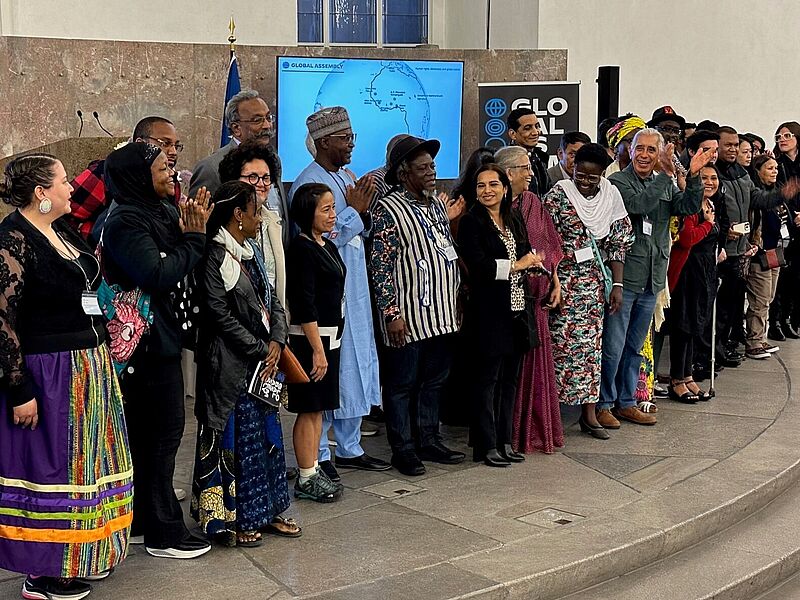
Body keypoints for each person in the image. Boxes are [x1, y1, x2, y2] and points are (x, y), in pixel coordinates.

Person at [0, 154, 132, 600]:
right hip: (49, 371)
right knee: (52, 468)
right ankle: (41, 572)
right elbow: (2, 323)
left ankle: (77, 556)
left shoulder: (62, 231)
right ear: (41, 193)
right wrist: (19, 390)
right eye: (63, 182)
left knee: (87, 465)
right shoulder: (12, 241)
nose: (72, 188)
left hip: (88, 367)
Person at [101, 142, 212, 559]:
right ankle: (164, 532)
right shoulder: (125, 220)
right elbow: (158, 271)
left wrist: (188, 232)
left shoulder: (156, 210)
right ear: (137, 175)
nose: (173, 173)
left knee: (156, 437)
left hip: (160, 339)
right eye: (164, 168)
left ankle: (144, 520)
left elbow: (174, 255)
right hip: (143, 348)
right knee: (161, 436)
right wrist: (194, 240)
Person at [192, 180, 299, 546]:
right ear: (239, 215)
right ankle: (233, 519)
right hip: (230, 368)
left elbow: (275, 303)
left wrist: (277, 341)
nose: (260, 217)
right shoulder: (214, 256)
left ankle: (267, 512)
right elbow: (218, 314)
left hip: (261, 366)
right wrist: (259, 347)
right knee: (237, 442)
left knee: (267, 439)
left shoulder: (251, 251)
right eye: (255, 211)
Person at [288, 107, 390, 482]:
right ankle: (323, 452)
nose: (350, 145)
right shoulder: (308, 183)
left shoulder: (345, 175)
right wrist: (356, 212)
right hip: (331, 288)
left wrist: (362, 213)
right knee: (337, 367)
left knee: (357, 361)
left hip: (354, 282)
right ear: (323, 142)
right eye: (344, 139)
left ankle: (350, 445)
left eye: (352, 138)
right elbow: (320, 237)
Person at [598, 128, 712, 428]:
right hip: (626, 277)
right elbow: (640, 205)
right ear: (630, 151)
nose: (645, 155)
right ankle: (604, 404)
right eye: (641, 149)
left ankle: (626, 402)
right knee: (613, 346)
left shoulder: (665, 181)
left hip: (653, 277)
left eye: (652, 150)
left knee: (635, 347)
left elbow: (686, 207)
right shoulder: (618, 182)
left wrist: (695, 177)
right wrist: (665, 172)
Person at [369, 136, 465, 475]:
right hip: (407, 317)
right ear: (403, 172)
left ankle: (429, 439)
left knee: (434, 381)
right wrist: (391, 314)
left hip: (441, 314)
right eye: (422, 167)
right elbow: (380, 266)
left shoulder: (436, 206)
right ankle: (403, 448)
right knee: (401, 385)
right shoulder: (388, 209)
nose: (431, 173)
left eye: (432, 166)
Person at [541, 143, 634, 439]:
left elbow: (618, 244)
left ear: (603, 174)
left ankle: (589, 416)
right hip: (563, 288)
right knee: (559, 352)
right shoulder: (558, 195)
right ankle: (551, 417)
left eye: (592, 177)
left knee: (591, 352)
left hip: (596, 287)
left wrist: (617, 285)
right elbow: (543, 243)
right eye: (580, 174)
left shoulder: (611, 196)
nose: (584, 181)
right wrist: (552, 282)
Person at [457, 164, 538, 466]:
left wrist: (533, 263)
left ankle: (505, 440)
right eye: (481, 185)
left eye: (493, 184)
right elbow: (478, 267)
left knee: (510, 381)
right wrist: (516, 266)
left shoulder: (514, 217)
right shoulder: (471, 222)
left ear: (505, 188)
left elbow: (527, 252)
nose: (487, 190)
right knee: (486, 381)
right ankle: (485, 445)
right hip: (488, 312)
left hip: (518, 309)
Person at [495, 146, 565, 454]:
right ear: (508, 173)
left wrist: (556, 282)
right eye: (525, 168)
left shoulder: (534, 202)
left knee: (537, 367)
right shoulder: (494, 208)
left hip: (538, 299)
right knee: (508, 374)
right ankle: (507, 435)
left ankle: (537, 432)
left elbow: (548, 247)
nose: (531, 173)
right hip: (506, 301)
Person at [715, 126, 800, 364]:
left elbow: (760, 200)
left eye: (736, 145)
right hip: (722, 248)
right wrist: (724, 232)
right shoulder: (714, 174)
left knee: (731, 306)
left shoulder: (741, 175)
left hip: (739, 250)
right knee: (723, 308)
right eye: (729, 145)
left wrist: (783, 193)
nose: (733, 150)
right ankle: (716, 351)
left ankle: (724, 348)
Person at [286, 183, 346, 502]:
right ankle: (306, 475)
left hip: (330, 339)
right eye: (326, 209)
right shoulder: (301, 248)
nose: (333, 215)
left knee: (318, 409)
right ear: (308, 212)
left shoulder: (327, 246)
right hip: (311, 342)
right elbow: (304, 304)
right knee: (307, 408)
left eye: (333, 207)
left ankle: (313, 469)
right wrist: (317, 350)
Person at [190, 90, 290, 245]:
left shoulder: (274, 159)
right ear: (236, 128)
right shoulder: (211, 168)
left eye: (269, 118)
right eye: (257, 120)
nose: (267, 125)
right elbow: (200, 226)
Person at [67, 116, 184, 243]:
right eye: (165, 143)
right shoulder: (106, 172)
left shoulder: (170, 179)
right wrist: (102, 242)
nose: (173, 152)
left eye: (176, 146)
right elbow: (64, 216)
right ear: (140, 143)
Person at [667, 165, 721, 402]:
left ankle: (688, 376)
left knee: (694, 327)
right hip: (687, 272)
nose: (709, 182)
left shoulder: (710, 204)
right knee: (683, 326)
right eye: (703, 178)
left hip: (705, 272)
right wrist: (708, 224)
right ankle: (676, 379)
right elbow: (686, 238)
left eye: (713, 177)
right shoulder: (688, 207)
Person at [219, 140, 287, 306]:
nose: (261, 184)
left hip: (271, 322)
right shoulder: (222, 226)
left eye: (266, 178)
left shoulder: (273, 222)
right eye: (252, 177)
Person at [745, 154, 785, 358]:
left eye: (776, 168)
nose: (775, 171)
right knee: (759, 299)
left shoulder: (774, 192)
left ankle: (761, 337)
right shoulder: (758, 194)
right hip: (759, 253)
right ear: (758, 171)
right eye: (770, 168)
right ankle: (753, 342)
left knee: (768, 298)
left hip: (774, 252)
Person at [771, 121, 800, 340]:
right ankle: (776, 321)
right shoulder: (776, 164)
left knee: (795, 276)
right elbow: (775, 195)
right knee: (781, 275)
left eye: (787, 135)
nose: (782, 139)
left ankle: (788, 318)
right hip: (783, 227)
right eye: (779, 136)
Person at [506, 107, 550, 195]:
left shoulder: (541, 157)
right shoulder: (505, 160)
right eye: (527, 128)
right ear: (513, 134)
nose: (535, 132)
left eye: (537, 126)